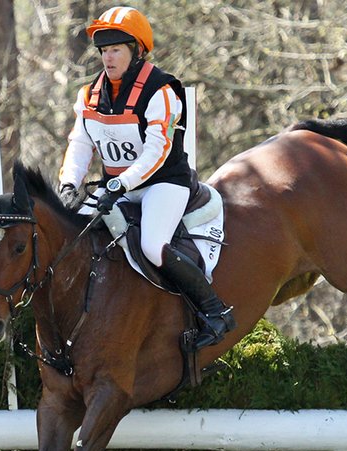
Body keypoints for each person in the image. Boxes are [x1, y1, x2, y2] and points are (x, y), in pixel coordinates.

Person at [57, 6, 235, 349]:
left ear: (136, 51)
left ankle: (214, 312)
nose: (108, 59)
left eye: (116, 51)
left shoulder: (161, 91)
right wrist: (68, 183)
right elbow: (80, 144)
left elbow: (156, 152)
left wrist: (119, 185)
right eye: (104, 51)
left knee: (152, 246)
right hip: (116, 187)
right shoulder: (89, 95)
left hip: (163, 184)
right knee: (70, 237)